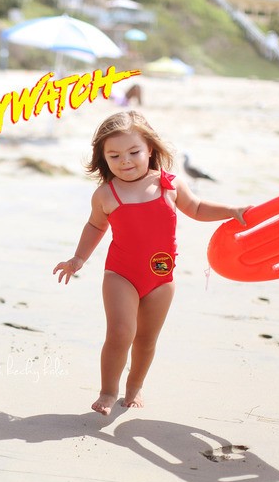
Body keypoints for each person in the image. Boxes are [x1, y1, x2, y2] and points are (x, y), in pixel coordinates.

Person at [53, 111, 249, 414]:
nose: (125, 161)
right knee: (120, 333)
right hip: (121, 275)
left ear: (150, 150)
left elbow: (197, 208)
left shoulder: (169, 185)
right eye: (114, 155)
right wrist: (78, 258)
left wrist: (230, 210)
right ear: (103, 158)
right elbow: (95, 226)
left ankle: (134, 387)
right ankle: (108, 391)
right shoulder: (106, 194)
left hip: (160, 279)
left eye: (134, 152)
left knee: (145, 339)